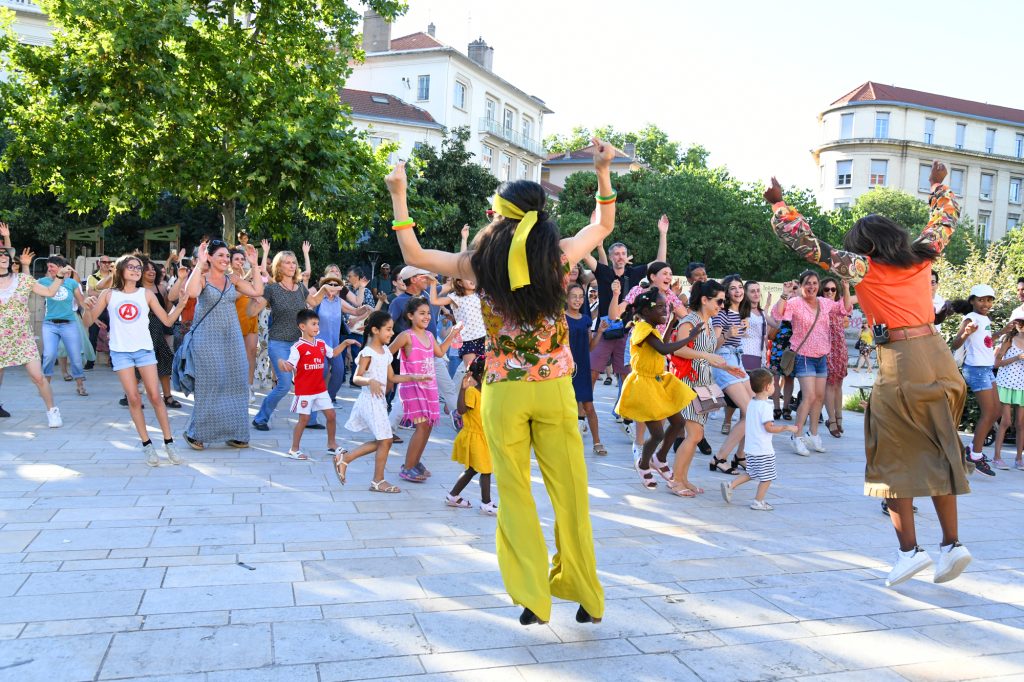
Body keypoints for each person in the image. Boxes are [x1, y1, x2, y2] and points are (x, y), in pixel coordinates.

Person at [386, 138, 617, 626]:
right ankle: (585, 596)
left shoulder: (480, 263)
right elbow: (603, 225)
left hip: (502, 392)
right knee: (571, 493)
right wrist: (601, 171)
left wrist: (399, 194)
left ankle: (533, 595)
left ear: (499, 213)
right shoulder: (559, 255)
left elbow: (413, 251)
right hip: (556, 390)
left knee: (513, 491)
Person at [765, 161, 973, 587]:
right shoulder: (924, 254)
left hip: (902, 359)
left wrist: (780, 204)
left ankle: (908, 552)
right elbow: (945, 217)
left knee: (889, 454)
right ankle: (952, 545)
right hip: (939, 357)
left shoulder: (864, 268)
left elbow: (808, 245)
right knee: (941, 449)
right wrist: (938, 185)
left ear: (865, 247)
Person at [81, 254, 190, 465]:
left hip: (144, 351)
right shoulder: (108, 294)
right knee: (133, 399)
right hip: (121, 352)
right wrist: (86, 307)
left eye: (138, 267)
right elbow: (88, 322)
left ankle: (169, 442)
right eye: (131, 266)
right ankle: (147, 445)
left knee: (156, 397)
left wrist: (181, 305)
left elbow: (167, 320)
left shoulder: (146, 294)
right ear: (120, 270)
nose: (135, 270)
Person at [334, 310, 431, 492]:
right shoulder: (367, 352)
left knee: (384, 440)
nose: (392, 333)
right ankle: (377, 480)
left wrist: (414, 377)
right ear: (375, 330)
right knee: (385, 440)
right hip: (369, 401)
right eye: (388, 329)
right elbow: (356, 377)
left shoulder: (385, 351)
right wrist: (369, 381)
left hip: (379, 402)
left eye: (392, 329)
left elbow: (392, 377)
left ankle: (346, 459)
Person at [182, 240, 265, 450]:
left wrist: (254, 265)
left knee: (237, 382)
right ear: (209, 257)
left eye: (227, 256)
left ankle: (236, 433)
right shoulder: (201, 279)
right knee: (210, 384)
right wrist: (199, 265)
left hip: (232, 337)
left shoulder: (233, 280)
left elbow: (257, 291)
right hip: (206, 338)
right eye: (220, 255)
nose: (225, 259)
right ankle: (196, 434)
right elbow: (190, 292)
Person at [616, 289, 699, 489]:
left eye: (666, 306)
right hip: (644, 385)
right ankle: (644, 464)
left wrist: (671, 324)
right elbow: (662, 349)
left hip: (657, 381)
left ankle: (659, 458)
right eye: (660, 307)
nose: (665, 310)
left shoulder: (650, 328)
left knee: (678, 422)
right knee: (658, 434)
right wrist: (689, 338)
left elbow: (659, 344)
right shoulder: (642, 327)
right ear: (645, 311)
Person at [670, 280, 746, 496]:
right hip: (689, 383)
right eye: (719, 301)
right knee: (694, 434)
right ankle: (677, 480)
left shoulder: (709, 323)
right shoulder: (690, 321)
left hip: (703, 383)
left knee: (696, 434)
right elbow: (679, 350)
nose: (722, 305)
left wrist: (729, 367)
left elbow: (710, 353)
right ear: (705, 300)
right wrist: (706, 356)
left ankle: (683, 478)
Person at [583, 216, 669, 403]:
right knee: (592, 371)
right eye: (616, 253)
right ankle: (582, 414)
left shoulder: (635, 273)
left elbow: (660, 263)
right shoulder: (603, 271)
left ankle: (625, 414)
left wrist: (663, 234)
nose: (620, 256)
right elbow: (584, 254)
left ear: (626, 255)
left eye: (623, 253)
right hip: (605, 329)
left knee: (627, 375)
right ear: (611, 256)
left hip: (628, 330)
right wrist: (592, 229)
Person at [250, 249, 334, 431]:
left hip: (300, 344)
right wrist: (253, 294)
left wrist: (325, 289)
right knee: (285, 384)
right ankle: (260, 418)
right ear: (279, 266)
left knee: (310, 381)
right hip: (278, 343)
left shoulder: (300, 288)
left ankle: (310, 419)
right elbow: (253, 311)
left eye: (293, 262)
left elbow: (313, 302)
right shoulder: (271, 289)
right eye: (287, 262)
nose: (291, 265)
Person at [771, 271, 851, 456]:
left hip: (821, 356)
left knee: (820, 397)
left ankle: (813, 434)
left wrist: (846, 288)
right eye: (808, 283)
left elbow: (844, 309)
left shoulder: (824, 303)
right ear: (802, 285)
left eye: (815, 283)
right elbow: (778, 313)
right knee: (809, 396)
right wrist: (784, 292)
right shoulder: (795, 303)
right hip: (803, 356)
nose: (812, 286)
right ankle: (796, 436)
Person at [389, 297, 461, 482]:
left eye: (428, 313)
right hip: (412, 388)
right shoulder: (406, 336)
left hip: (429, 388)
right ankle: (408, 467)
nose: (427, 316)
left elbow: (440, 353)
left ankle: (415, 462)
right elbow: (385, 354)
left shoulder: (429, 335)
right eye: (422, 313)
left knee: (427, 426)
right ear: (410, 316)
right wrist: (390, 377)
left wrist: (452, 333)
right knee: (421, 427)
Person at [0, 247, 71, 426]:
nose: (3, 257)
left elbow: (49, 292)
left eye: (5, 255)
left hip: (22, 338)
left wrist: (60, 277)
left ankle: (52, 411)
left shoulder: (23, 280)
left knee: (38, 377)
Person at [277, 309, 360, 460]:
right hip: (305, 391)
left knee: (331, 415)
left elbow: (334, 353)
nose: (317, 327)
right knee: (304, 420)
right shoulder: (297, 347)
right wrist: (283, 364)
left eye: (318, 324)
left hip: (320, 389)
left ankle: (332, 445)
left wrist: (345, 343)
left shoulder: (321, 344)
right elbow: (289, 365)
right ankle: (294, 449)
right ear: (302, 327)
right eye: (313, 324)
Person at [720, 368, 798, 510]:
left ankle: (731, 485)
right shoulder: (766, 406)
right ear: (767, 387)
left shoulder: (752, 403)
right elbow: (769, 428)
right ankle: (758, 501)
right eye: (774, 384)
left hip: (751, 448)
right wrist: (786, 428)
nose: (774, 387)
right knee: (767, 477)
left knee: (752, 473)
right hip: (763, 449)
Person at [949, 285, 999, 477]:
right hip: (976, 369)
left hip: (987, 367)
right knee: (989, 413)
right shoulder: (970, 318)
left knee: (995, 412)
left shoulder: (985, 318)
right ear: (972, 301)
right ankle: (975, 455)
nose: (985, 303)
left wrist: (1003, 331)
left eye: (989, 300)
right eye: (981, 300)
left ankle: (973, 449)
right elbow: (955, 343)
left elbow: (986, 341)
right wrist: (966, 333)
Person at [712, 275, 755, 473]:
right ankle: (720, 458)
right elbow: (713, 345)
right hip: (724, 360)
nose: (738, 291)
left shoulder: (741, 313)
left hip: (737, 360)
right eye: (733, 288)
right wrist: (727, 335)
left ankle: (741, 455)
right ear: (726, 293)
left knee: (754, 409)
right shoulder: (721, 314)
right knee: (751, 411)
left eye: (740, 287)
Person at [445, 357, 497, 514]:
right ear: (481, 375)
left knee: (474, 469)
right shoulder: (472, 392)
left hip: (484, 437)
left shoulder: (488, 391)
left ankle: (453, 496)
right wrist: (462, 388)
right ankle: (486, 503)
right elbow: (461, 411)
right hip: (474, 437)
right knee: (485, 469)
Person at [38, 255, 90, 398]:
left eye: (52, 266)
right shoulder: (44, 281)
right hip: (50, 324)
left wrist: (91, 306)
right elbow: (27, 284)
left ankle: (80, 385)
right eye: (48, 267)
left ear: (61, 268)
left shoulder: (71, 283)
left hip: (69, 323)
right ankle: (45, 387)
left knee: (75, 357)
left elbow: (81, 302)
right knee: (49, 355)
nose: (49, 269)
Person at [566, 283, 605, 455]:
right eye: (573, 296)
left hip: (582, 368)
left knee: (589, 406)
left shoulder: (586, 319)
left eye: (581, 296)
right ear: (566, 298)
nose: (577, 299)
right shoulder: (561, 318)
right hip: (565, 369)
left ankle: (597, 442)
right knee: (564, 407)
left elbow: (590, 347)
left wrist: (600, 332)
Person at [233, 241, 270, 402]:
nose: (240, 262)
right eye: (237, 259)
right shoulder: (228, 277)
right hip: (234, 321)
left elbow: (260, 291)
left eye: (242, 259)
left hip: (251, 318)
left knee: (251, 353)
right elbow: (233, 295)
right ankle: (234, 387)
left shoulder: (250, 276)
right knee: (235, 356)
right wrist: (246, 279)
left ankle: (248, 387)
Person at [992, 311, 1024, 471]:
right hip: (1005, 384)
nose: (1021, 326)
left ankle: (1019, 459)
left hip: (1022, 386)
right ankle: (997, 458)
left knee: (1021, 423)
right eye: (1018, 322)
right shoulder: (1009, 339)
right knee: (1006, 422)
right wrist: (1017, 358)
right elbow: (996, 363)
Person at [821, 277, 852, 438]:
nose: (830, 292)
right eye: (827, 289)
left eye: (833, 289)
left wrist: (846, 287)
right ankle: (831, 420)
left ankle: (839, 418)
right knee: (830, 384)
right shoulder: (820, 303)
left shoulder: (839, 304)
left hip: (840, 346)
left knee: (839, 383)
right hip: (826, 346)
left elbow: (847, 307)